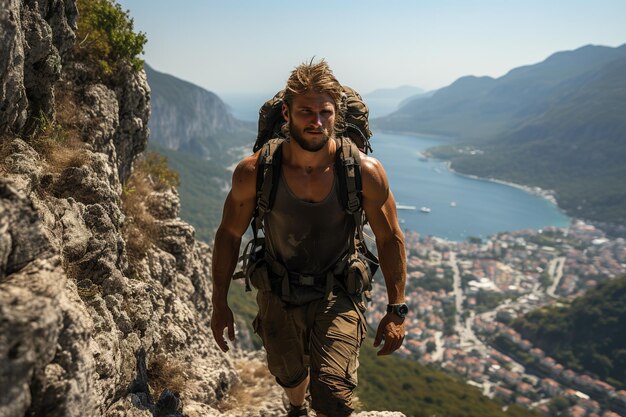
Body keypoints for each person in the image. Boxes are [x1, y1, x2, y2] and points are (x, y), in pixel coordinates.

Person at [210, 59, 407, 417]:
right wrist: (219, 302)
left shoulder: (365, 172)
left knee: (331, 395)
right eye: (305, 112)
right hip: (277, 287)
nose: (316, 122)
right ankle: (296, 408)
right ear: (286, 113)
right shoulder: (254, 172)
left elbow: (390, 237)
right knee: (289, 374)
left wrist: (397, 309)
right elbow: (228, 235)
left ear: (337, 115)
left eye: (324, 112)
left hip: (340, 290)